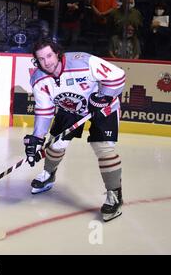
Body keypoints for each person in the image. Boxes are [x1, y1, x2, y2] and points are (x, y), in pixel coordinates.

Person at [23, 37, 125, 222]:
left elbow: (117, 76)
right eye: (41, 59)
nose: (47, 62)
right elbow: (45, 111)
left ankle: (114, 195)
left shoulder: (83, 61)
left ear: (57, 53)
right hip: (70, 108)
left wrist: (103, 97)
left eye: (49, 56)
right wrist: (37, 138)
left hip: (102, 107)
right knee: (55, 145)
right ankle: (49, 174)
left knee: (104, 149)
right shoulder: (38, 79)